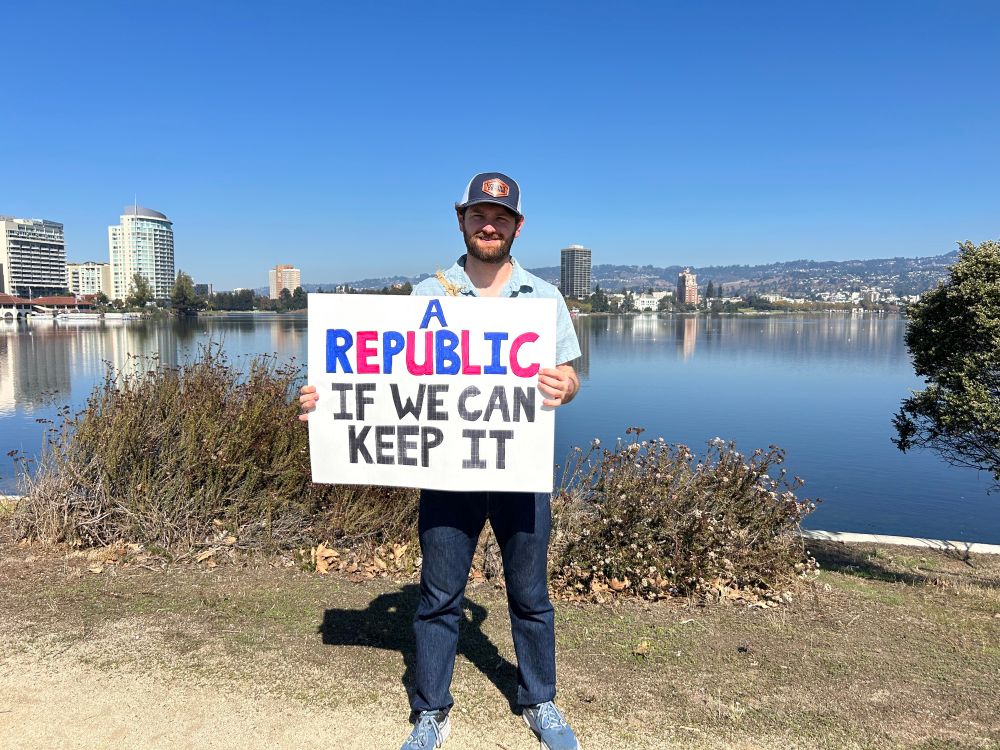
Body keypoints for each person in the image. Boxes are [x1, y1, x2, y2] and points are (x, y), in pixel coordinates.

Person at [298, 172, 582, 750]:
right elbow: (381, 373)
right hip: (447, 475)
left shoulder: (543, 300)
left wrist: (565, 384)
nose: (489, 225)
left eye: (501, 217)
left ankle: (540, 698)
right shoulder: (428, 295)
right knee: (438, 596)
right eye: (480, 214)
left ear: (516, 227)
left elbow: (571, 376)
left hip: (516, 468)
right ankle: (432, 710)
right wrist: (318, 397)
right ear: (461, 220)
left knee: (530, 597)